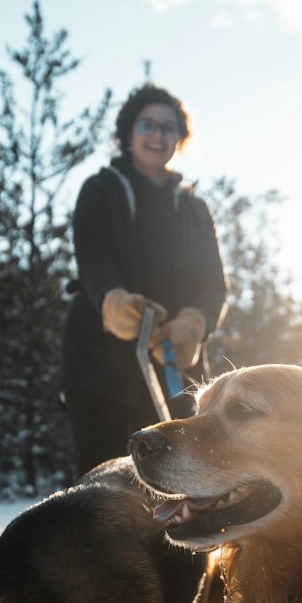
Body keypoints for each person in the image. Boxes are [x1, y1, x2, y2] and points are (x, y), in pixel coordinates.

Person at [60, 83, 228, 477]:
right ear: (128, 133)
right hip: (100, 367)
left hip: (173, 368)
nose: (158, 135)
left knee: (180, 478)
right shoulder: (100, 190)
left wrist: (194, 323)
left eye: (168, 127)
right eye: (147, 124)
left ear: (180, 138)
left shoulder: (194, 208)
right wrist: (114, 302)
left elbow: (214, 284)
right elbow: (93, 259)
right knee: (103, 484)